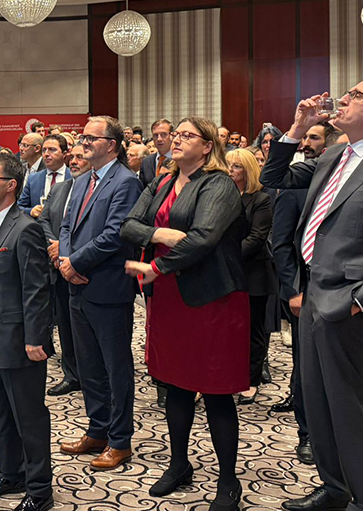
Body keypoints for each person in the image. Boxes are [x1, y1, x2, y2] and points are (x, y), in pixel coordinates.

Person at [261, 74, 363, 511]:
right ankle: (335, 488)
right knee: (315, 401)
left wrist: (361, 301)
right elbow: (273, 175)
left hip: (346, 301)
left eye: (355, 95)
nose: (343, 99)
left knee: (346, 406)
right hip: (313, 291)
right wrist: (297, 128)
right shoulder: (335, 154)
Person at [120, 117, 248, 510]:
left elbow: (204, 238)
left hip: (212, 298)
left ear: (208, 146)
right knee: (175, 386)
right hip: (169, 297)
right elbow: (129, 225)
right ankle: (179, 464)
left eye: (186, 135)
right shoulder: (161, 181)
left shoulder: (219, 184)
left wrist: (156, 266)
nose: (176, 139)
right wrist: (158, 235)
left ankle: (228, 481)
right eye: (175, 134)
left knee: (215, 392)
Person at [57, 116, 143, 471]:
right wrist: (65, 261)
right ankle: (97, 430)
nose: (84, 142)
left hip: (107, 288)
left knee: (115, 368)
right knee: (88, 366)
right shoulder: (82, 180)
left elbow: (115, 234)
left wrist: (74, 262)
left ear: (112, 144)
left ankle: (120, 440)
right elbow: (66, 226)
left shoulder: (126, 182)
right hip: (77, 286)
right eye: (83, 137)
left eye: (92, 137)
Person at [0, 152, 54, 511]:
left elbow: (36, 289)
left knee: (29, 417)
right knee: (1, 414)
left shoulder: (25, 228)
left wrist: (35, 337)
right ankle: (11, 474)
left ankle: (40, 490)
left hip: (20, 341)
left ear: (11, 186)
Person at [267, 121, 340, 464]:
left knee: (353, 370)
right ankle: (308, 433)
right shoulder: (298, 184)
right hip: (305, 291)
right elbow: (281, 243)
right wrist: (293, 290)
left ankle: (355, 435)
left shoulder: (360, 183)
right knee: (307, 368)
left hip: (347, 291)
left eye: (315, 138)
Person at [226, 148, 277, 405]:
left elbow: (257, 238)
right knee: (227, 330)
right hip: (225, 274)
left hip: (253, 273)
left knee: (253, 330)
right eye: (228, 165)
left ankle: (251, 380)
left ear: (248, 171)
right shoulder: (220, 196)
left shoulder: (260, 199)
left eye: (236, 166)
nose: (230, 170)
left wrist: (227, 258)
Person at [38, 143, 88, 397]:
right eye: (73, 157)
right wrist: (55, 246)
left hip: (84, 268)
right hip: (57, 266)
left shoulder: (95, 190)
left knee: (87, 328)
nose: (74, 161)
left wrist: (65, 249)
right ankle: (72, 374)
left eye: (81, 157)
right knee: (65, 325)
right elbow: (44, 219)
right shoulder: (60, 188)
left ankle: (92, 375)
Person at [18, 135, 71, 217]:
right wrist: (30, 211)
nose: (46, 154)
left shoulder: (74, 177)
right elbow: (19, 207)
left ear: (64, 154)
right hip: (39, 223)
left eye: (52, 150)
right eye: (44, 150)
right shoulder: (33, 179)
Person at [140, 119, 174, 186]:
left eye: (163, 134)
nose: (159, 139)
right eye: (155, 135)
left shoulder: (180, 160)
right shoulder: (146, 162)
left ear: (172, 136)